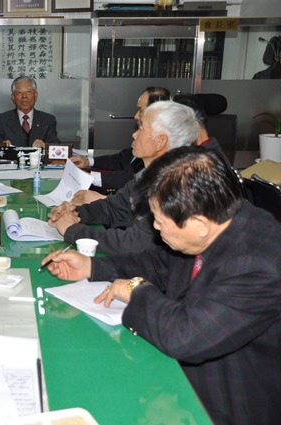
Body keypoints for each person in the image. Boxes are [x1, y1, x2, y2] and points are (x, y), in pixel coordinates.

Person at [42, 147, 281, 425]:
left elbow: (184, 335)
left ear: (199, 224)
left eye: (159, 220)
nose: (154, 227)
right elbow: (160, 263)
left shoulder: (258, 263)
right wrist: (92, 267)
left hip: (225, 402)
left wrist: (136, 289)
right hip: (182, 375)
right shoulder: (217, 218)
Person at [48, 101, 198, 255]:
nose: (134, 134)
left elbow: (133, 243)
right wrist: (75, 213)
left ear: (160, 142)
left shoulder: (176, 188)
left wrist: (72, 230)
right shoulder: (146, 175)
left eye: (141, 129)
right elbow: (113, 208)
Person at [69, 86, 170, 204]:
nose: (136, 116)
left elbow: (129, 180)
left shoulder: (163, 158)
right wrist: (88, 162)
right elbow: (121, 159)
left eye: (140, 110)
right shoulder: (144, 141)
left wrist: (91, 178)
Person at [0, 75, 60, 148]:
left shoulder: (48, 120)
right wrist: (1, 145)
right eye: (19, 92)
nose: (24, 96)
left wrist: (45, 146)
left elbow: (55, 146)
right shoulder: (2, 119)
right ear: (13, 97)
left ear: (36, 95)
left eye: (28, 92)